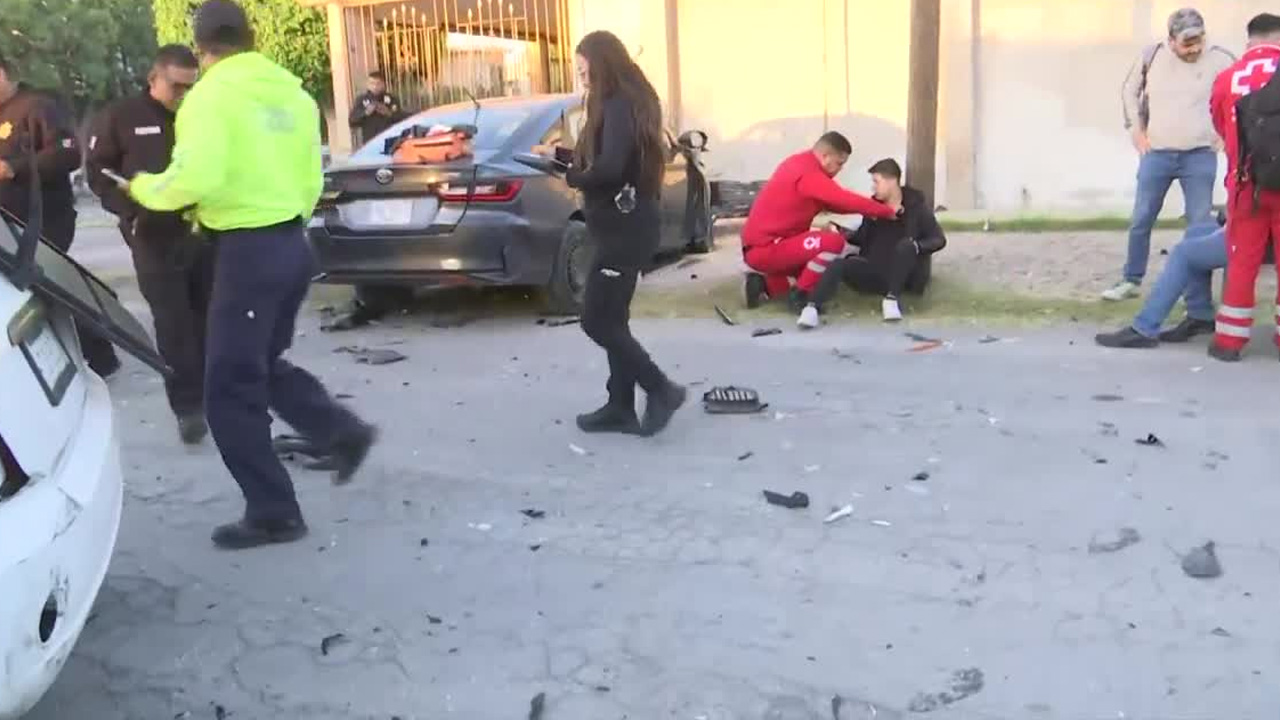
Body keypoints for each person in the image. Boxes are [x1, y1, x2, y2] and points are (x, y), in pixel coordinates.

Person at [124, 0, 378, 550]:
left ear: (202, 48)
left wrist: (144, 187)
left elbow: (195, 177)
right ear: (251, 35)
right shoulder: (292, 91)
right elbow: (311, 175)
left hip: (247, 253)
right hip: (292, 243)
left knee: (226, 389)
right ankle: (341, 431)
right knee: (260, 364)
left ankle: (273, 512)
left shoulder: (210, 96)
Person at [536, 30, 686, 437]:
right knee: (614, 319)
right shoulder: (625, 103)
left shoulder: (619, 104)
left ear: (600, 63)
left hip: (624, 231)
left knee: (596, 321)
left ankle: (660, 388)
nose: (580, 76)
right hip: (622, 226)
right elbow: (607, 160)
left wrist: (570, 174)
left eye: (584, 68)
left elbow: (610, 170)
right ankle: (620, 406)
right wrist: (562, 156)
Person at [87, 44, 213, 444]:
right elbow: (100, 174)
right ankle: (189, 408)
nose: (182, 95)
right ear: (153, 79)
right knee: (173, 325)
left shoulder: (202, 115)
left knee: (206, 320)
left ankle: (216, 397)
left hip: (204, 232)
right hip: (153, 239)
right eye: (176, 86)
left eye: (190, 87)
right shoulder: (121, 117)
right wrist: (133, 212)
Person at [0, 55, 121, 377]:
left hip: (45, 219)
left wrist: (15, 168)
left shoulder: (37, 106)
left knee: (50, 284)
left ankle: (101, 355)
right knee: (32, 290)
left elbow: (67, 153)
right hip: (7, 224)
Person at [1105, 8, 1235, 302]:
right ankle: (1131, 280)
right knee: (1142, 217)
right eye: (1187, 43)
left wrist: (1225, 135)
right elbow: (1129, 90)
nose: (1194, 48)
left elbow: (1241, 95)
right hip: (1158, 153)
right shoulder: (1152, 57)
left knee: (1200, 225)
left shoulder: (1221, 58)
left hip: (1200, 155)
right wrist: (1135, 130)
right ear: (1171, 40)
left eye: (1198, 40)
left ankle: (1197, 295)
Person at [741, 132, 898, 329]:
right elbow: (842, 199)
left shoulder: (798, 164)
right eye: (839, 163)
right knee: (833, 242)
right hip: (769, 246)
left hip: (767, 245)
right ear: (825, 156)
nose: (840, 169)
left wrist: (870, 209)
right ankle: (801, 296)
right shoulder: (809, 174)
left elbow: (833, 202)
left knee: (817, 271)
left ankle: (764, 284)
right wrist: (885, 211)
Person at [1208, 13, 1280, 361]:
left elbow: (1223, 128)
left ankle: (1229, 342)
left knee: (1242, 262)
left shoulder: (1227, 78)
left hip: (1244, 186)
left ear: (1250, 41)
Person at [837, 158, 946, 322]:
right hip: (876, 270)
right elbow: (861, 238)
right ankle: (811, 306)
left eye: (876, 181)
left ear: (892, 181)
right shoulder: (873, 206)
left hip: (907, 274)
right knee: (841, 263)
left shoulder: (916, 206)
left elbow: (938, 239)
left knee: (905, 246)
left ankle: (891, 300)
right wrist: (841, 232)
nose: (873, 187)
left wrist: (916, 247)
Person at [1095, 220, 1226, 348]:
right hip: (1238, 228)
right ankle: (1200, 316)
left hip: (1243, 236)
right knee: (1195, 232)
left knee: (1183, 253)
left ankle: (1144, 328)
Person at [348, 70, 402, 146]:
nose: (375, 87)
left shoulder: (391, 99)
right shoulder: (362, 100)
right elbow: (352, 121)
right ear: (368, 85)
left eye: (378, 84)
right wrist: (365, 113)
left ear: (383, 84)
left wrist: (389, 113)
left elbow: (402, 120)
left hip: (389, 142)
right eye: (372, 83)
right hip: (370, 143)